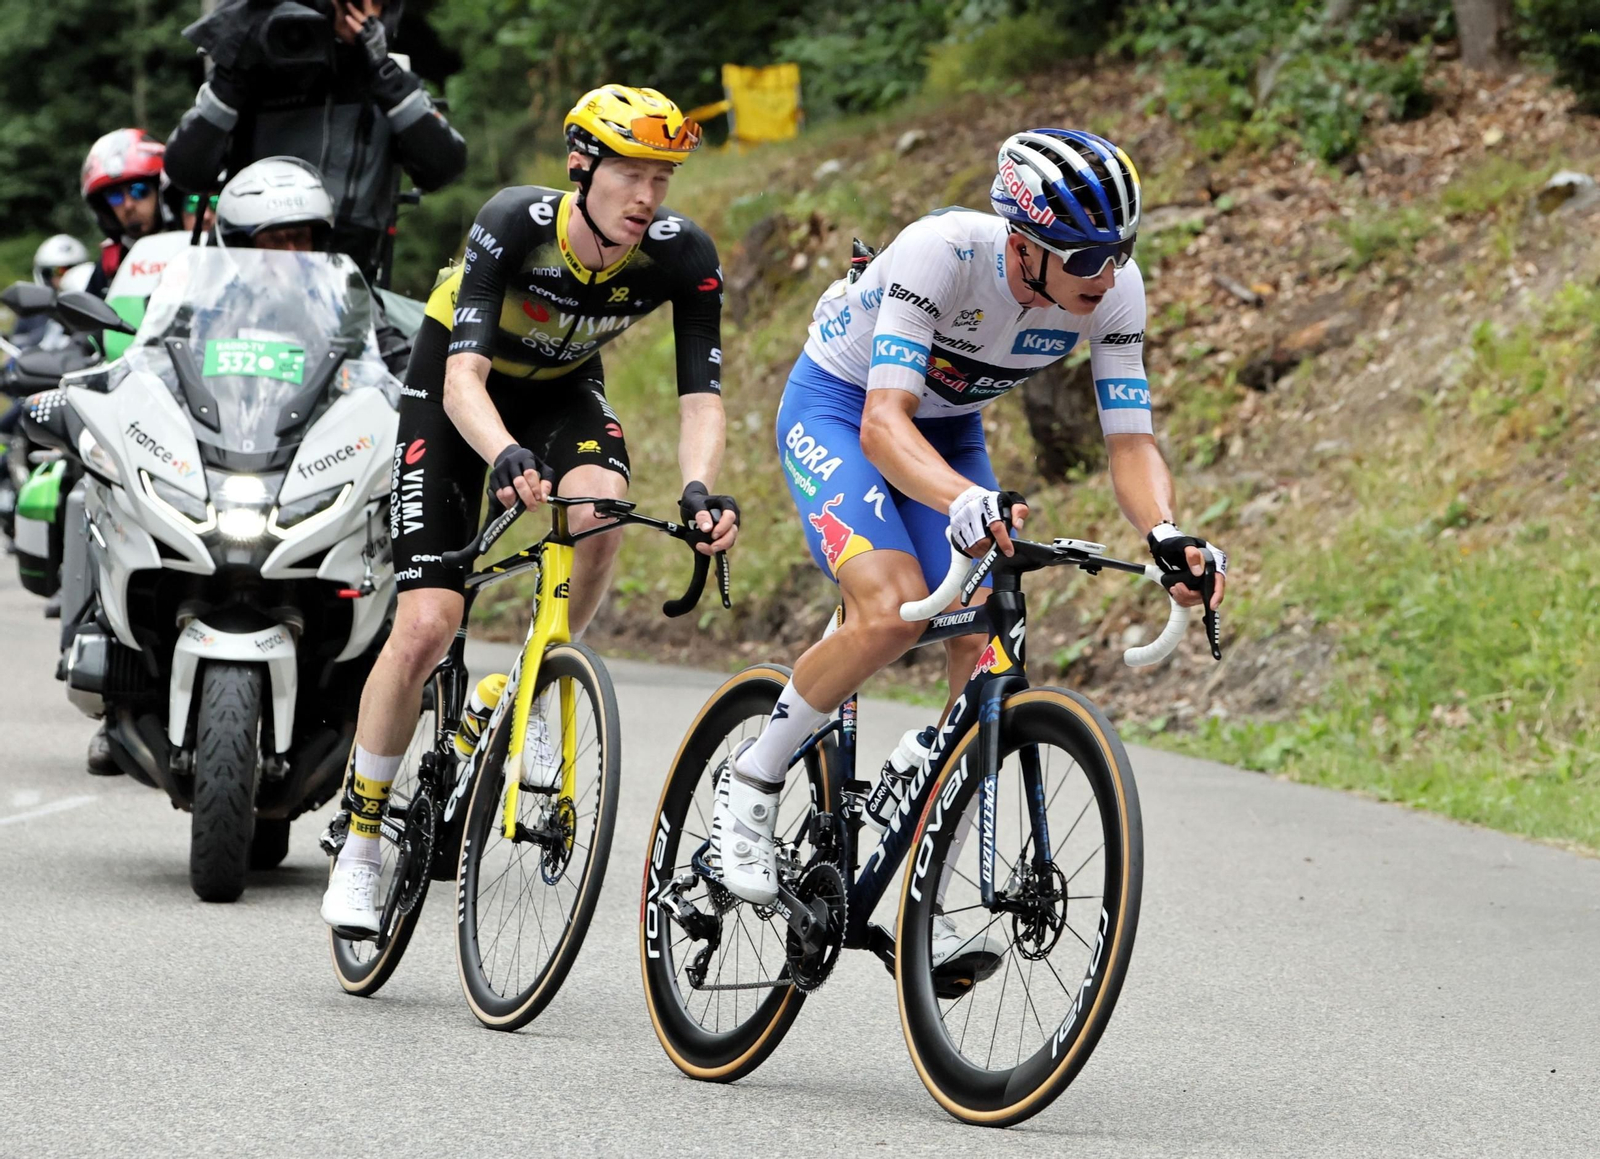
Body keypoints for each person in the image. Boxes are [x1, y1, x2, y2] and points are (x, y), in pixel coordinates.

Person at [711, 130, 1229, 961]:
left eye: (1119, 252)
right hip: (843, 409)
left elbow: (1130, 444)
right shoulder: (941, 253)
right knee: (888, 611)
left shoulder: (1115, 291)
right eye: (1086, 256)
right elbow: (883, 425)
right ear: (1024, 246)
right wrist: (964, 500)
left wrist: (1166, 535)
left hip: (950, 431)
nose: (1105, 275)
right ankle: (753, 780)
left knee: (986, 634)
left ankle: (925, 874)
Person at [319, 84, 739, 935]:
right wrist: (501, 451)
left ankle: (542, 680)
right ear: (583, 166)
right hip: (454, 389)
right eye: (630, 172)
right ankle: (362, 840)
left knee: (603, 507)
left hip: (561, 389)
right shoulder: (514, 222)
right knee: (429, 622)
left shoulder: (680, 255)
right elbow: (464, 382)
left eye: (662, 177)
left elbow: (703, 401)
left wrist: (700, 486)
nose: (648, 196)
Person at [164, 0, 466, 282]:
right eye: (349, 3)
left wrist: (384, 74)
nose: (364, 15)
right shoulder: (253, 73)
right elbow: (186, 170)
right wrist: (234, 73)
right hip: (247, 271)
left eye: (371, 5)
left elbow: (443, 166)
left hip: (348, 279)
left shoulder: (389, 82)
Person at [80, 129, 172, 298]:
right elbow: (83, 320)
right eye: (115, 197)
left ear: (161, 192)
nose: (128, 205)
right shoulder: (109, 265)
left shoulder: (192, 244)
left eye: (139, 190)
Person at [8, 236, 91, 350]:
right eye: (58, 271)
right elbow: (14, 350)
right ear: (45, 275)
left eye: (72, 269)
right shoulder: (33, 310)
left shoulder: (95, 307)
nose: (66, 276)